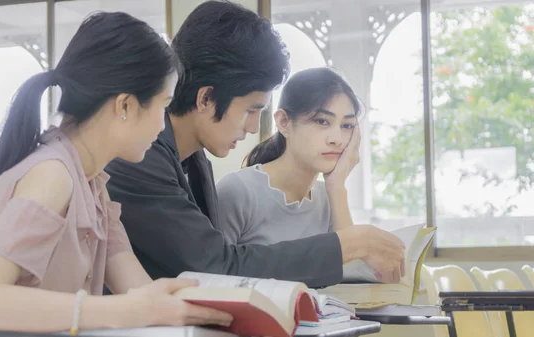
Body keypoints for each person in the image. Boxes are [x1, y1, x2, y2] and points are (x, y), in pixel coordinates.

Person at [0, 12, 232, 332]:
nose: (163, 125)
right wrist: (123, 310)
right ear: (126, 106)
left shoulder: (94, 185)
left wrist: (194, 302)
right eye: (163, 106)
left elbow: (137, 290)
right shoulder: (52, 175)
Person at [105, 1, 405, 288]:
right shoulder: (138, 160)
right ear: (206, 98)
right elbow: (217, 267)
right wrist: (346, 245)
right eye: (251, 110)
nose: (252, 128)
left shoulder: (196, 160)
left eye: (347, 125)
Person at [215, 67, 398, 280]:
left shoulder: (329, 198)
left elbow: (349, 284)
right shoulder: (237, 191)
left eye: (347, 125)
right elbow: (213, 275)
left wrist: (337, 187)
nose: (337, 139)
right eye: (322, 121)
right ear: (284, 122)